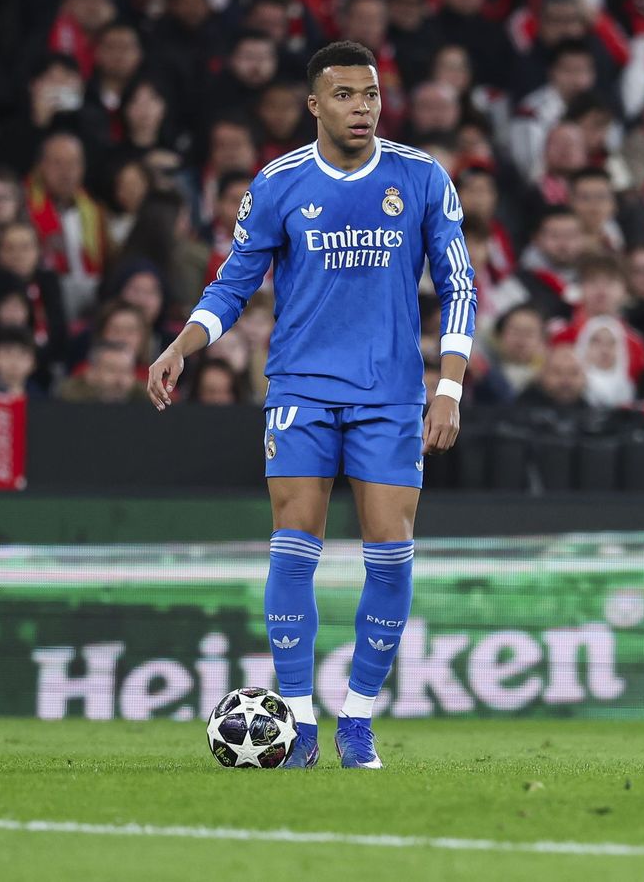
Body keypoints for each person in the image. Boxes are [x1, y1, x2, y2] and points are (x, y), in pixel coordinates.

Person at [147, 41, 477, 769]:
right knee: (295, 541)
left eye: (371, 95)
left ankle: (356, 718)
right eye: (347, 96)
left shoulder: (421, 177)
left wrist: (448, 386)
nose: (363, 108)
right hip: (300, 387)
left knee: (388, 553)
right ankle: (297, 720)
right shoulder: (277, 183)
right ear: (314, 105)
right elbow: (233, 283)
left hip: (391, 394)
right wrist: (181, 346)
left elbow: (459, 285)